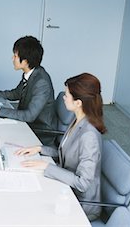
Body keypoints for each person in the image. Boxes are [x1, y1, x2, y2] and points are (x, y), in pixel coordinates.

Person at [15, 73, 105, 221]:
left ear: (78, 103)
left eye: (67, 95)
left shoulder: (89, 136)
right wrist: (40, 149)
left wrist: (46, 167)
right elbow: (68, 152)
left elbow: (82, 183)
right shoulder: (78, 121)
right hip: (66, 187)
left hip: (81, 203)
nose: (63, 97)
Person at [0, 36, 57, 145]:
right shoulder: (31, 73)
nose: (12, 59)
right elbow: (16, 93)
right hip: (26, 124)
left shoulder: (41, 83)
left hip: (38, 132)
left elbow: (29, 116)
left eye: (15, 56)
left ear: (25, 61)